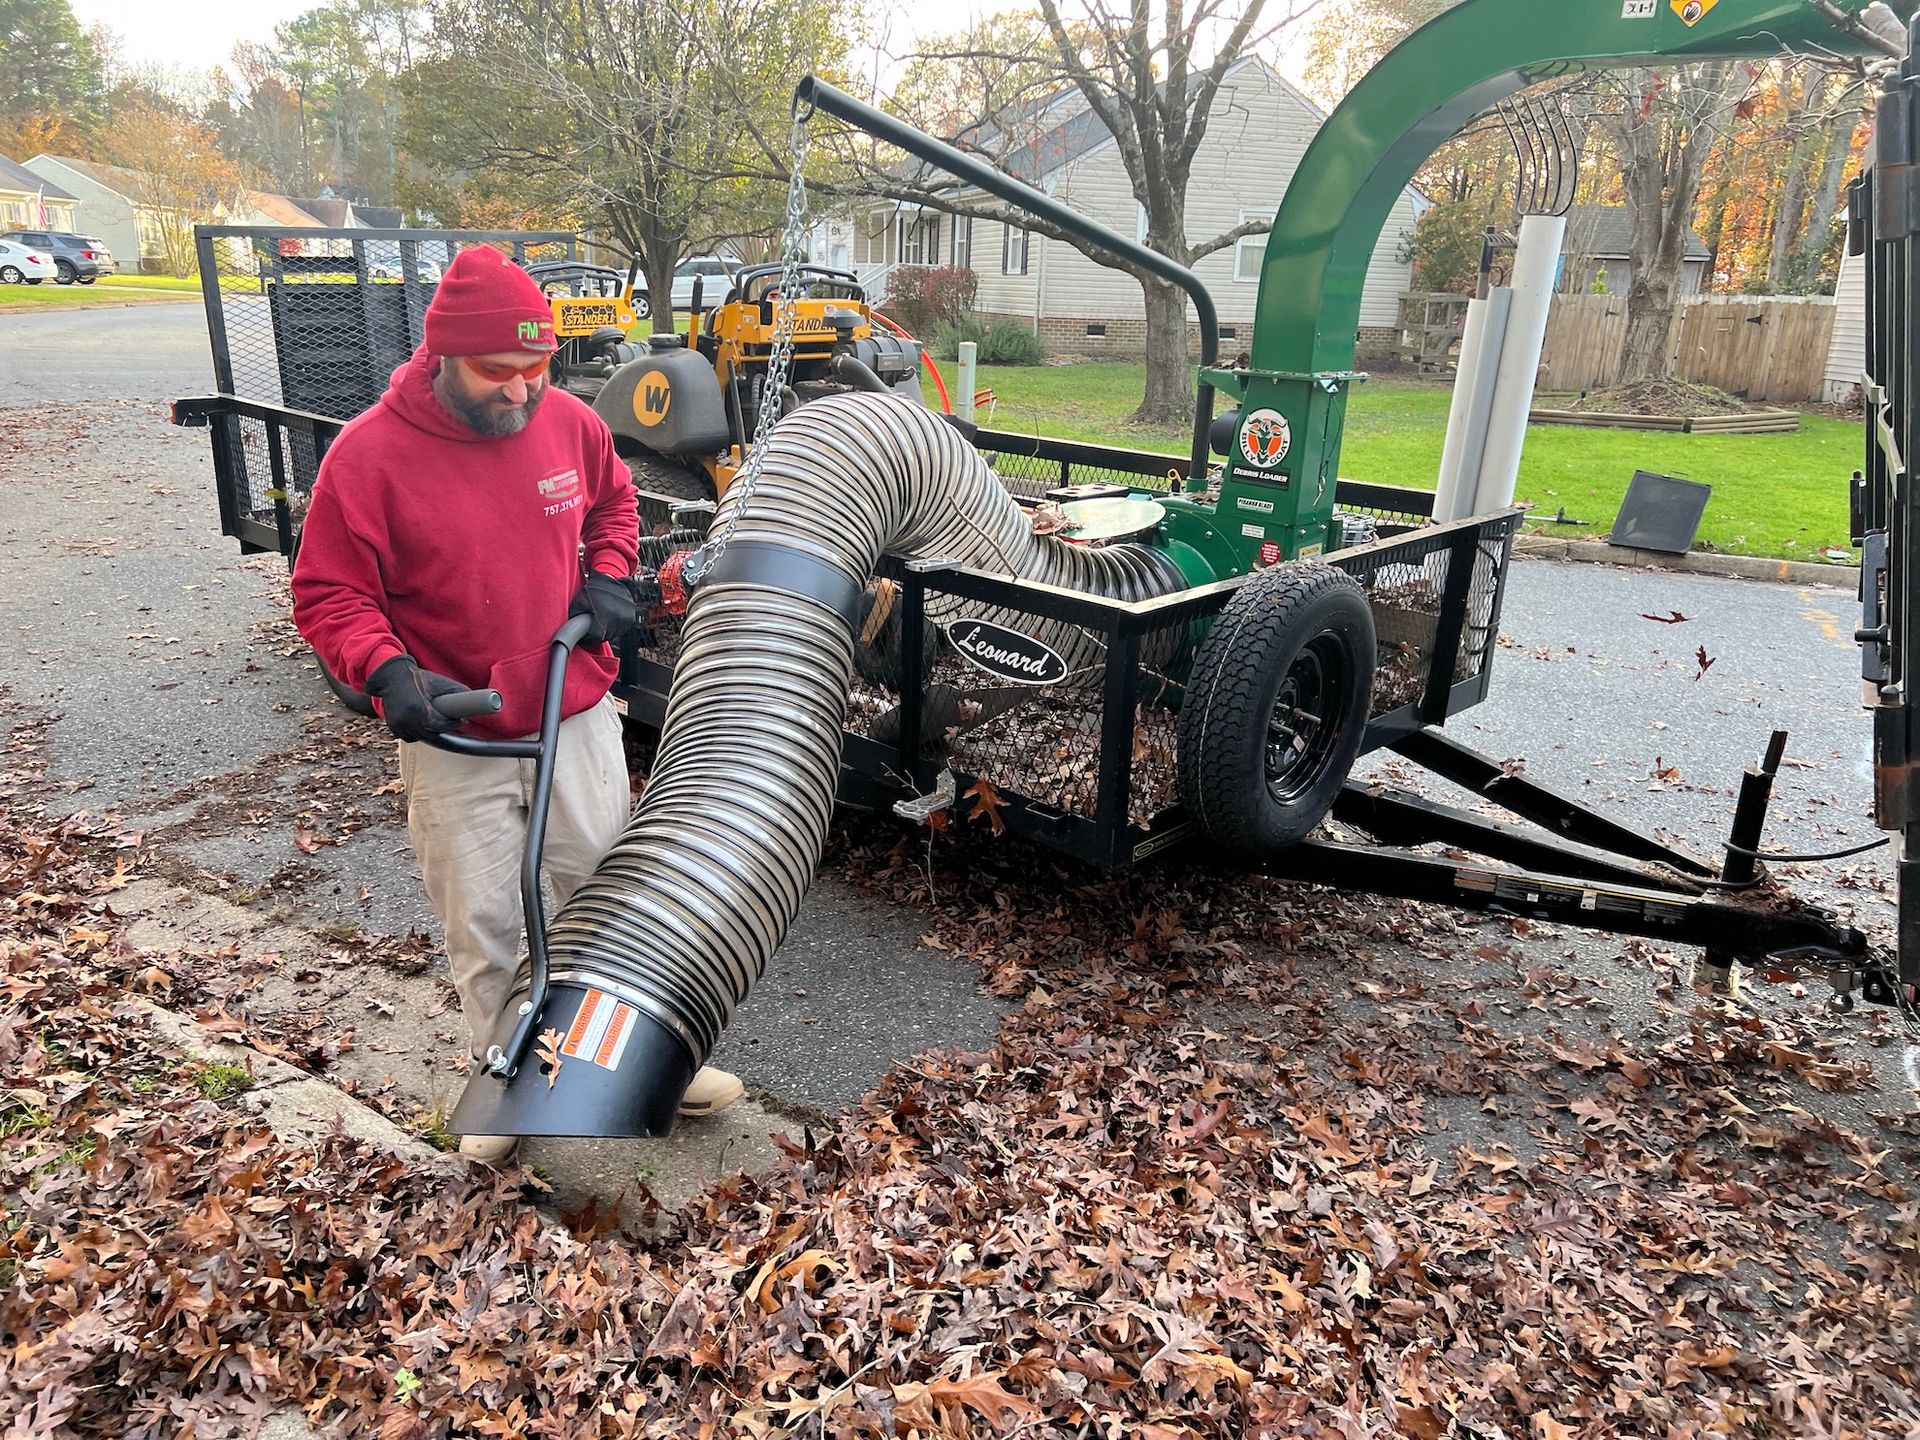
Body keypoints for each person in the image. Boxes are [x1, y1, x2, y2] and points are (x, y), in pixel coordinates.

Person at [291, 246, 742, 1165]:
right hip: (457, 730)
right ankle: (505, 1074)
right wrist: (384, 673)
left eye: (535, 370)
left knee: (610, 898)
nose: (520, 392)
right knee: (488, 922)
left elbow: (615, 507)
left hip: (571, 713)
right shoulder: (369, 457)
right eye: (498, 373)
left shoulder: (569, 421)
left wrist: (609, 578)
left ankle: (648, 1058)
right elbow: (329, 593)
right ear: (442, 355)